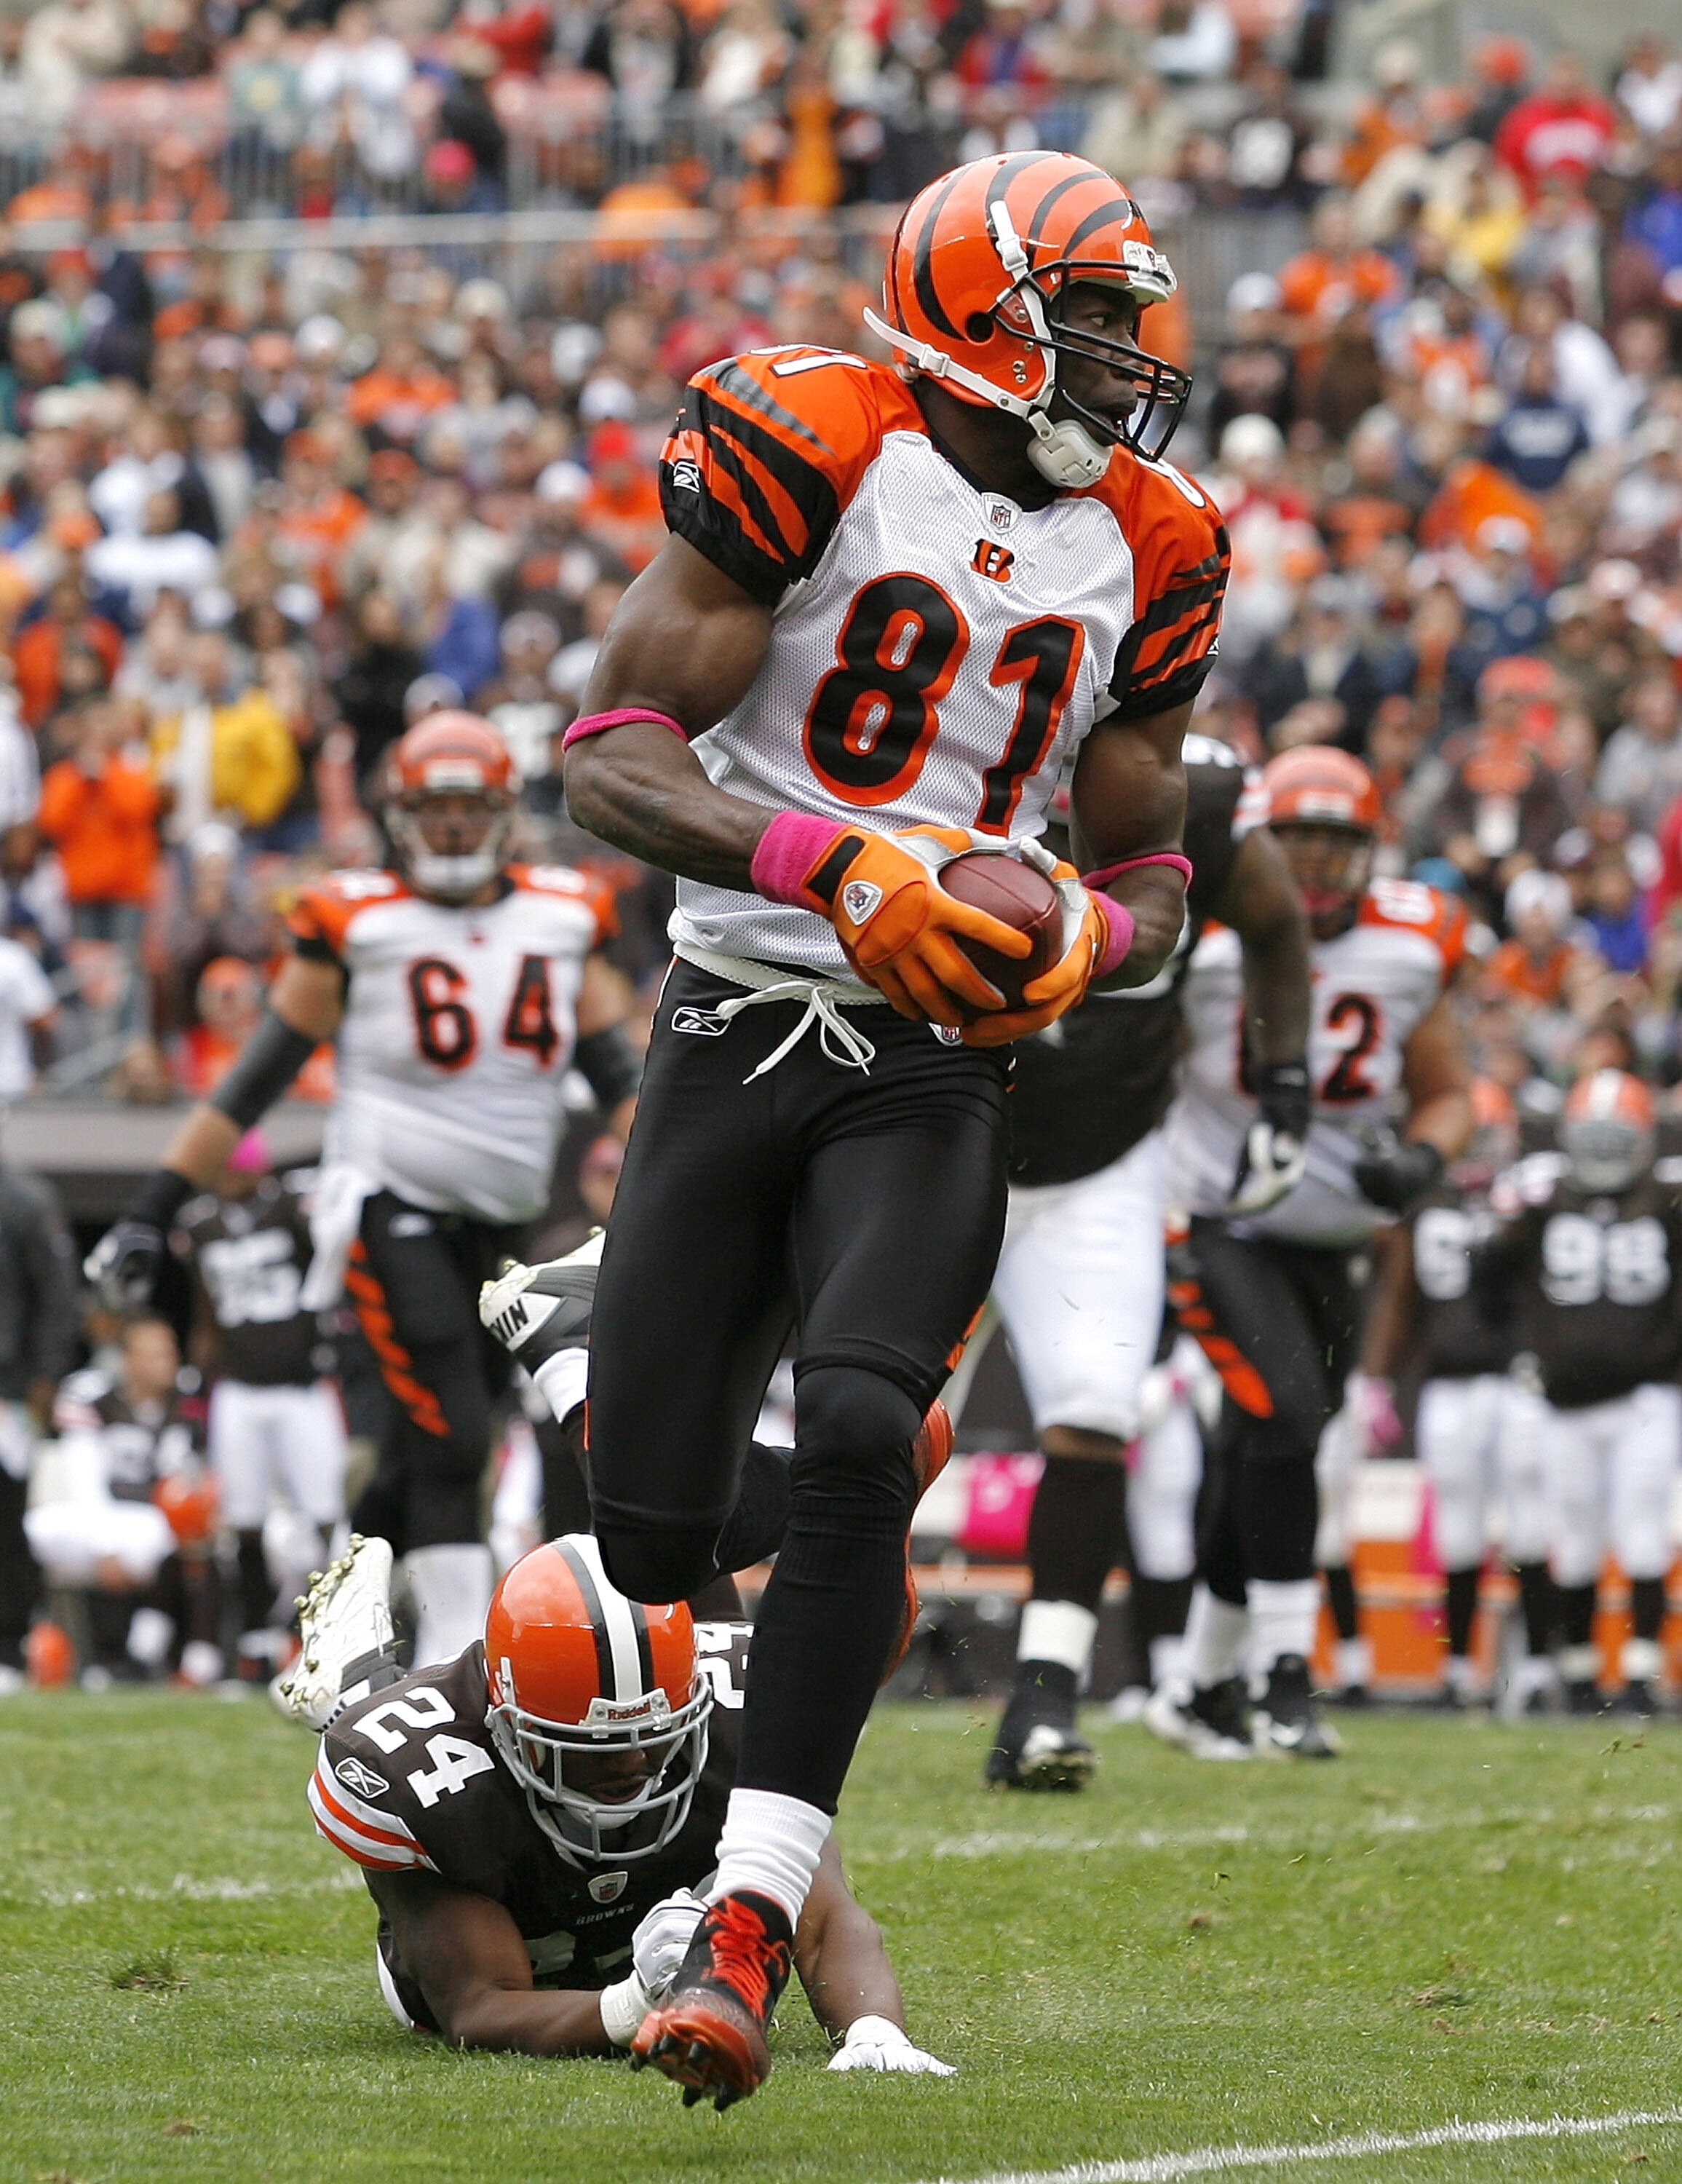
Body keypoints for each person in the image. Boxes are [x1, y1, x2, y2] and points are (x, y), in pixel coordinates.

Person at [558, 151, 1223, 2107]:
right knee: (647, 1529)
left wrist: (1079, 932)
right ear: (974, 305)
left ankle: (744, 1927)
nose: (1122, 352)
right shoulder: (810, 431)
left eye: (1127, 313)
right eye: (1087, 311)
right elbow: (607, 754)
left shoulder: (1158, 534)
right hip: (737, 1006)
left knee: (857, 1430)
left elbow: (1151, 864)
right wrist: (827, 858)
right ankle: (757, 1443)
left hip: (933, 1051)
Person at [87, 713, 640, 1671]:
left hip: (508, 1213)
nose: (458, 829)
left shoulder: (560, 910)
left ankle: (333, 1624)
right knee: (455, 1431)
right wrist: (151, 1209)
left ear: (505, 812)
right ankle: (461, 1665)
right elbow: (250, 1083)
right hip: (389, 1199)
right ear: (400, 814)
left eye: (473, 809)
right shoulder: (352, 919)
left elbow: (621, 1079)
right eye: (438, 808)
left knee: (448, 1436)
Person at [954, 734, 1311, 1790]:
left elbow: (1279, 929)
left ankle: (1044, 1699)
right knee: (869, 1413)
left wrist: (1283, 1082)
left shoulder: (1202, 814)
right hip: (946, 1142)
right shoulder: (978, 788)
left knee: (1094, 1411)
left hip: (1100, 1168)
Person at [290, 1533, 952, 2084]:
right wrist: (635, 2006)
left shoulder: (741, 1706)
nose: (631, 1763)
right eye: (592, 1747)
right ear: (509, 1726)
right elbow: (478, 2003)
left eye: (654, 1737)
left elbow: (822, 1912)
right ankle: (356, 1684)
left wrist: (875, 2034)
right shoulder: (422, 1776)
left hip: (666, 1888)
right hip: (528, 1952)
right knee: (363, 1722)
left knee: (783, 1841)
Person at [1151, 747, 1472, 1760]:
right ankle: (1283, 1674)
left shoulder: (1409, 948)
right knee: (1284, 1422)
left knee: (1263, 1449)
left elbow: (1446, 1093)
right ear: (1257, 843)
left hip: (1336, 1246)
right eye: (1298, 842)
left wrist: (1420, 1160)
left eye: (1339, 844)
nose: (1320, 867)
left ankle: (1197, 1684)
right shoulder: (1199, 942)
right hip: (1218, 1225)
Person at [1477, 1070, 1682, 1714]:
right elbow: (1487, 1278)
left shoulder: (1667, 1199)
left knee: (1643, 1527)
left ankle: (1642, 1670)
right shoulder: (1541, 1198)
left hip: (1647, 1393)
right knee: (1576, 1535)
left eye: (1612, 1138)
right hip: (1563, 1399)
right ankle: (1581, 1669)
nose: (1600, 1152)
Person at [1357, 1077, 1552, 1709]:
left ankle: (1536, 1670)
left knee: (1528, 1524)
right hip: (1448, 1383)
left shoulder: (1526, 1201)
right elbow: (1400, 1295)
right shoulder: (1427, 1203)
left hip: (1515, 1381)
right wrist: (1377, 1377)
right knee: (1458, 1534)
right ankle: (1462, 1669)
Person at [172, 1128, 346, 1679]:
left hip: (300, 1386)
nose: (229, 1178)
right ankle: (254, 1642)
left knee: (326, 1517)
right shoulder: (199, 1224)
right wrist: (198, 1385)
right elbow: (204, 1310)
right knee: (242, 1521)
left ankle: (329, 1635)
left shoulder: (291, 1208)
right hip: (238, 1389)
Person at [25, 1316, 221, 1686]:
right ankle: (38, 1647)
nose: (165, 1364)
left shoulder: (185, 1401)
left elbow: (183, 1482)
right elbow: (84, 1483)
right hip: (92, 1518)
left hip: (153, 1523)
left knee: (176, 1536)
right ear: (127, 1360)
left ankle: (139, 1655)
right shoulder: (91, 1397)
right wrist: (106, 1546)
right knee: (35, 1530)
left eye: (169, 1354)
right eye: (153, 1355)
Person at [0, 1155, 79, 1693]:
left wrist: (42, 1379)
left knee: (5, 1522)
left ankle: (7, 1648)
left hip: (5, 1390)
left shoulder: (22, 1198)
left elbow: (56, 1296)